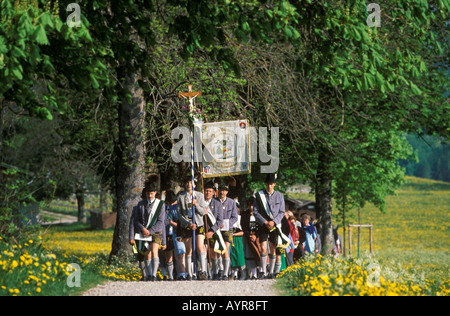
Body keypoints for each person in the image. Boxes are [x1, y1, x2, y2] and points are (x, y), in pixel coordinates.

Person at [253, 173, 290, 279]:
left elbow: (282, 212)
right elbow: (256, 212)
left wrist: (274, 221)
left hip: (275, 225)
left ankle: (272, 272)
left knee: (273, 248)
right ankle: (263, 271)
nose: (269, 186)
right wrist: (265, 222)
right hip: (263, 224)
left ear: (274, 184)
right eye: (267, 184)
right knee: (263, 248)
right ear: (265, 184)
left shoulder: (279, 196)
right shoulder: (259, 196)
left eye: (271, 184)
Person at [177, 176, 208, 280]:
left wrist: (196, 205)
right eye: (187, 182)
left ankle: (203, 270)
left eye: (191, 183)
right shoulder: (181, 197)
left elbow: (203, 211)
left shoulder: (199, 195)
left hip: (198, 223)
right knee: (188, 249)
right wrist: (188, 223)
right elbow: (179, 214)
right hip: (187, 224)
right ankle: (190, 273)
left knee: (200, 246)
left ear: (194, 184)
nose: (189, 185)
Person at [134, 184, 167, 281]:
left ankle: (154, 275)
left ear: (155, 193)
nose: (150, 196)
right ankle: (148, 274)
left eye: (152, 193)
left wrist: (150, 231)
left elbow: (161, 221)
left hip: (156, 231)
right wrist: (143, 229)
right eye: (148, 193)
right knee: (147, 253)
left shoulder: (160, 204)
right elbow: (136, 220)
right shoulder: (140, 204)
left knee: (154, 251)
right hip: (144, 231)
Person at [203, 181, 226, 280]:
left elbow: (220, 220)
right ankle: (205, 272)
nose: (208, 193)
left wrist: (212, 231)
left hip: (214, 231)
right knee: (205, 252)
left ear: (213, 193)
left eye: (210, 191)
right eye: (206, 191)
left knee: (214, 252)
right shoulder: (201, 202)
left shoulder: (217, 203)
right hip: (203, 230)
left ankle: (217, 271)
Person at [216, 183, 238, 280]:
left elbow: (235, 217)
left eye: (224, 190)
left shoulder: (231, 202)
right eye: (220, 190)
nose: (222, 192)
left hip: (227, 228)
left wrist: (227, 223)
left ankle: (225, 273)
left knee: (225, 249)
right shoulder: (214, 201)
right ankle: (219, 269)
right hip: (216, 228)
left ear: (227, 192)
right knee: (216, 250)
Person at [241, 196, 261, 279]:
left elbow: (261, 225)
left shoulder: (259, 214)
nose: (251, 207)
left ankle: (257, 274)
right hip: (248, 237)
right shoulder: (244, 214)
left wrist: (256, 235)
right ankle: (250, 274)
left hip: (257, 237)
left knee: (258, 254)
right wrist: (249, 235)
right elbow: (243, 226)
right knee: (249, 255)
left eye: (252, 205)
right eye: (249, 205)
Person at [230, 206, 246, 280]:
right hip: (231, 238)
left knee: (239, 256)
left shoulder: (240, 218)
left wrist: (234, 234)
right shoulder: (229, 218)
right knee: (232, 256)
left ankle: (243, 273)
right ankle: (234, 274)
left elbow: (243, 231)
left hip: (238, 239)